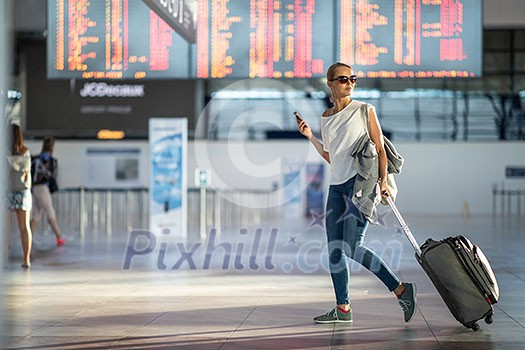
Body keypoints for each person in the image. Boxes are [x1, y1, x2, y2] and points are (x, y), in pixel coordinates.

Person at [295, 62, 417, 324]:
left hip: (361, 184)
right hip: (336, 187)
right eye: (342, 79)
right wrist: (310, 137)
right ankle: (343, 309)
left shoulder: (364, 110)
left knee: (352, 246)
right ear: (330, 83)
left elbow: (380, 149)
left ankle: (401, 290)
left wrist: (383, 181)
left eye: (352, 78)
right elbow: (332, 157)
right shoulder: (326, 118)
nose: (349, 82)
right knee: (335, 251)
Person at [6, 123, 33, 268]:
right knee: (24, 227)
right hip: (23, 192)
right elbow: (28, 172)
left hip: (7, 191)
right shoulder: (26, 153)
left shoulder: (5, 152)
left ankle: (3, 258)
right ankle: (26, 258)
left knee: (5, 227)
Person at [30, 136, 64, 247]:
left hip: (35, 188)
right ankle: (59, 237)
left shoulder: (35, 159)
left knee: (36, 214)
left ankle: (27, 237)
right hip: (43, 189)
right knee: (50, 212)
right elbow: (52, 176)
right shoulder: (51, 160)